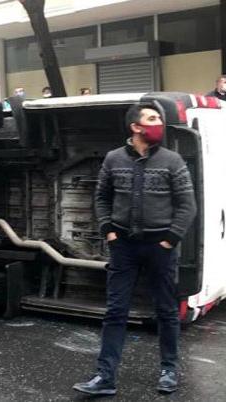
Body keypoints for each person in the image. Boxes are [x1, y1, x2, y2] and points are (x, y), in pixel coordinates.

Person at [73, 104, 197, 395]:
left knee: (166, 310)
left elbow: (187, 205)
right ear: (136, 127)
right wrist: (109, 231)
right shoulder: (114, 158)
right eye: (152, 119)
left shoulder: (172, 160)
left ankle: (169, 370)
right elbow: (102, 197)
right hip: (124, 247)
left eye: (159, 119)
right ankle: (105, 377)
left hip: (160, 247)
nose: (159, 123)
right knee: (116, 311)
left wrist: (170, 239)